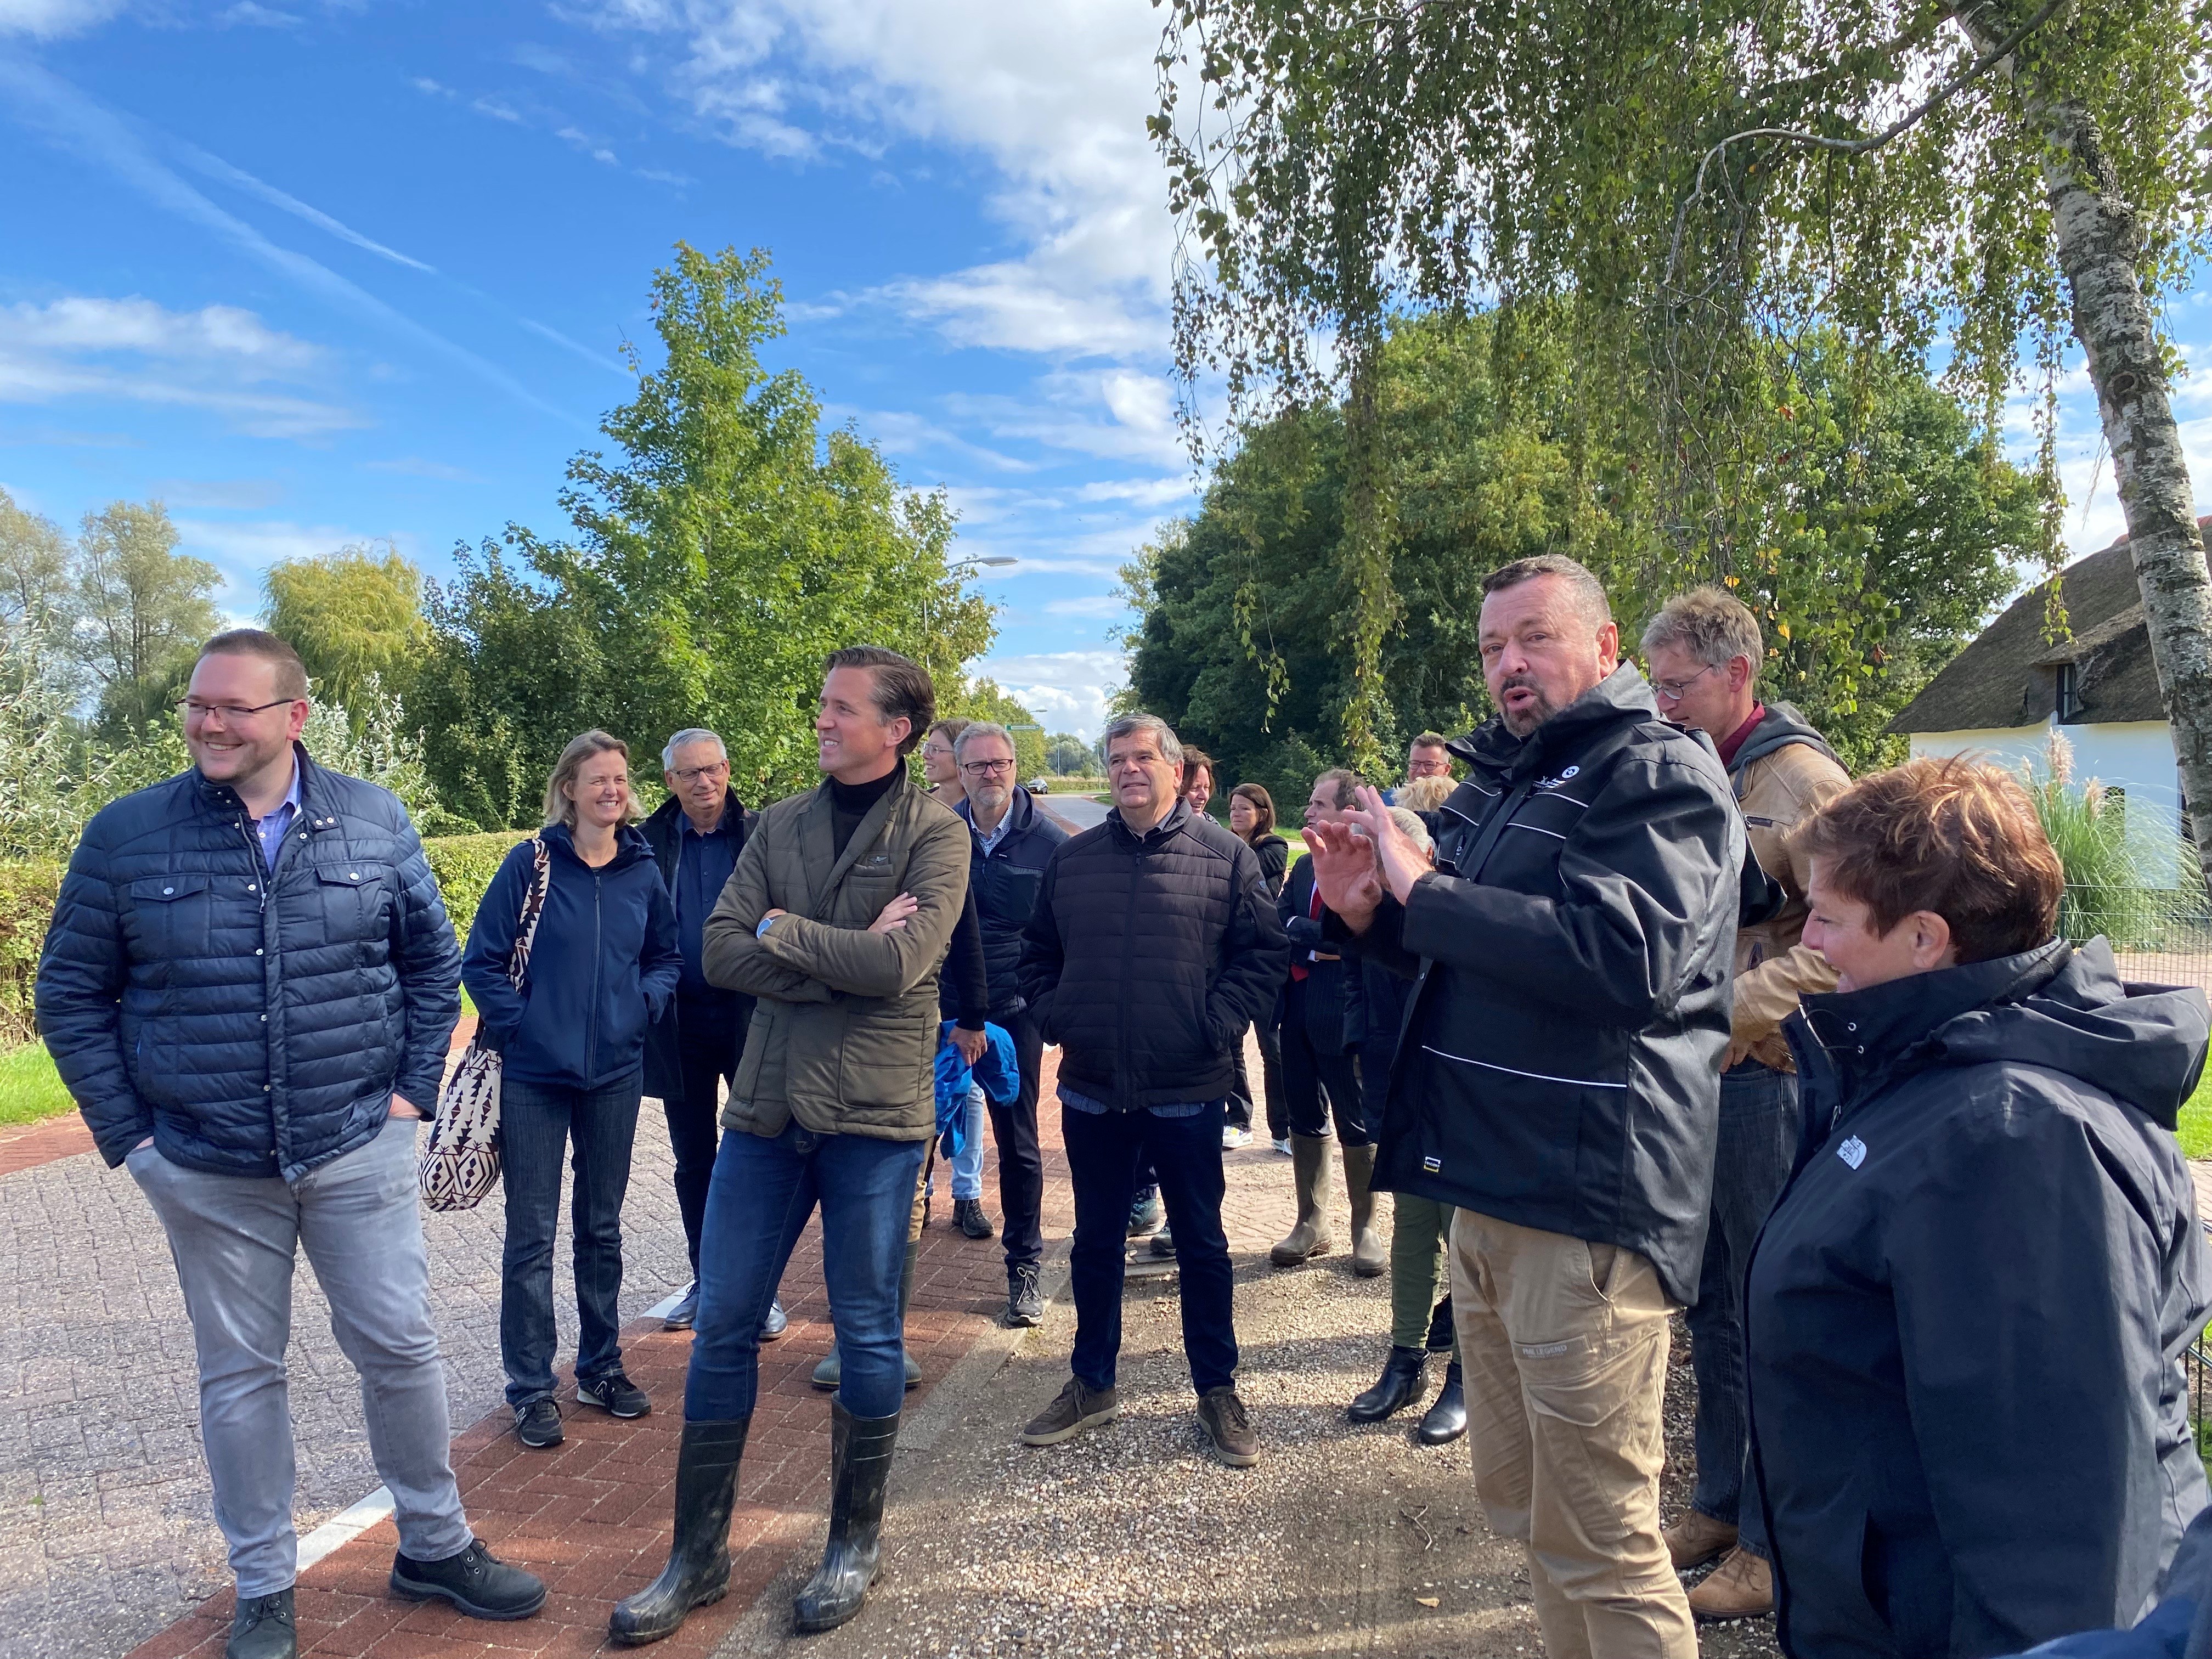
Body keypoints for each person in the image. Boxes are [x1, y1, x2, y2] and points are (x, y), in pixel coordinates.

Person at [35, 629, 545, 1659]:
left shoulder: (374, 817)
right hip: (207, 1164)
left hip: (357, 1143)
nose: (209, 723)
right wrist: (133, 1142)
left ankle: (434, 1543)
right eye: (197, 704)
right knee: (239, 1373)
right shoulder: (127, 835)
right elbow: (70, 994)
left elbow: (426, 962)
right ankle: (264, 1581)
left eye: (235, 707)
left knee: (401, 1347)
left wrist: (411, 1098)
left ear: (294, 716)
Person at [1305, 554, 1741, 1657]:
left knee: (1601, 1539)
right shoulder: (1506, 784)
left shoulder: (1657, 772)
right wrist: (1372, 915)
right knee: (1525, 1509)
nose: (1509, 664)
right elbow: (1472, 963)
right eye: (1494, 645)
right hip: (1485, 1192)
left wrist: (1430, 894)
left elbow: (1622, 962)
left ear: (1606, 650)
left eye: (1534, 639)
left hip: (1585, 1202)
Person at [1748, 758, 2210, 1659]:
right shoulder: (1924, 1067)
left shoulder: (2011, 1141)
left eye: (1829, 918)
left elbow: (2063, 1537)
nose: (1808, 942)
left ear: (1923, 938)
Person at [610, 646, 967, 1645]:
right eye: (822, 703)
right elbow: (718, 952)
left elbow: (902, 964)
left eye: (840, 708)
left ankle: (854, 1541)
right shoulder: (780, 822)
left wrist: (785, 934)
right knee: (723, 1320)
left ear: (895, 727)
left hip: (871, 1116)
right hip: (765, 1111)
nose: (821, 719)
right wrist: (824, 943)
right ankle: (699, 1552)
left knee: (865, 1330)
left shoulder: (937, 833)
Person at [1639, 586, 1852, 1617]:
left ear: (1736, 675)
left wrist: (1724, 1016)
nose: (1662, 701)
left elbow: (1840, 945)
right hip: (1696, 1077)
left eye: (1676, 683)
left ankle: (1771, 1547)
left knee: (1768, 1310)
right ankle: (1719, 1501)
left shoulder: (1808, 783)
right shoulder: (1694, 770)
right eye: (1655, 683)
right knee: (1713, 1306)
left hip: (1764, 1074)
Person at [1014, 713, 1289, 1468]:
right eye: (1116, 760)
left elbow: (1262, 956)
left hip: (1186, 1088)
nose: (1128, 770)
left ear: (1173, 768)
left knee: (1202, 1244)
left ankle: (1216, 1388)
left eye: (1142, 757)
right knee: (1097, 1243)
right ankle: (1091, 1382)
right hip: (1095, 1091)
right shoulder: (1075, 862)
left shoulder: (1224, 856)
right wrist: (1061, 1016)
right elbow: (1034, 956)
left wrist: (1216, 1023)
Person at [464, 732, 683, 1448]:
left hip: (615, 1073)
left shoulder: (641, 871)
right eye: (598, 780)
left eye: (620, 779)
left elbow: (665, 956)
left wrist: (640, 1007)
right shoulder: (529, 866)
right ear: (569, 789)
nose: (612, 791)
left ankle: (601, 1367)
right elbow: (483, 962)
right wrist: (523, 1027)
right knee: (531, 1237)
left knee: (601, 1227)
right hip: (533, 1076)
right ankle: (531, 1389)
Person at [640, 728, 787, 1342]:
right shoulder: (646, 843)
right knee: (693, 1158)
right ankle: (707, 1281)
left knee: (757, 1157)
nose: (704, 783)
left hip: (750, 1017)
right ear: (670, 781)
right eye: (690, 774)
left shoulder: (763, 835)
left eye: (713, 770)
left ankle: (761, 1293)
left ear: (729, 770)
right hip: (678, 1024)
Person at [1345, 806, 1464, 1446]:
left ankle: (1466, 1373)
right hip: (1400, 1090)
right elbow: (1362, 990)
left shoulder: (1453, 920)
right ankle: (1405, 1359)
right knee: (1412, 1228)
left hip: (1460, 1103)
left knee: (1463, 1239)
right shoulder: (1378, 917)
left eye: (1382, 862)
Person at [951, 719, 1071, 1325]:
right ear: (961, 772)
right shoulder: (941, 835)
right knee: (911, 1144)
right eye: (977, 766)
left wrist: (1048, 1008)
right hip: (946, 1014)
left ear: (1014, 766)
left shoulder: (1051, 844)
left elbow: (1066, 937)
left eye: (999, 763)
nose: (990, 775)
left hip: (1016, 1015)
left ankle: (1024, 1266)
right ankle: (891, 1279)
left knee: (1019, 1144)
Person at [1270, 768, 1383, 1275]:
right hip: (1296, 1004)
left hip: (1342, 1006)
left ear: (1346, 812)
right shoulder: (1301, 867)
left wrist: (1308, 932)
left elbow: (1345, 937)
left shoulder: (1366, 864)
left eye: (1318, 804)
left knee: (1354, 1117)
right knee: (1303, 1112)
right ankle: (1311, 1223)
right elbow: (1283, 923)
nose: (1309, 813)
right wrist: (1310, 932)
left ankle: (1366, 1229)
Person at [1226, 783, 1291, 1153]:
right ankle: (1238, 1120)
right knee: (1231, 1045)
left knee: (1273, 1048)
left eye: (1244, 809)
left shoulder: (1274, 848)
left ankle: (1282, 1129)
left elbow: (1244, 872)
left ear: (1262, 813)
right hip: (1233, 959)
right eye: (1232, 808)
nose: (1236, 814)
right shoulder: (1226, 846)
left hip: (1263, 961)